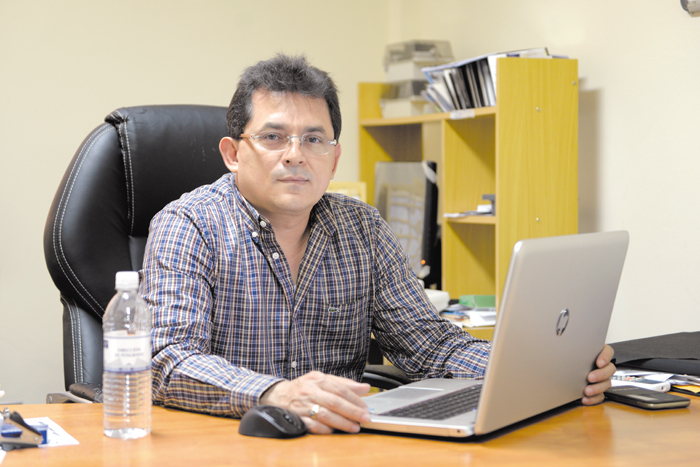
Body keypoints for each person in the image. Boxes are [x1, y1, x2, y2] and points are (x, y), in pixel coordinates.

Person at [140, 54, 615, 435]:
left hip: (339, 444)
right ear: (232, 153)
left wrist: (536, 367)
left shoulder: (362, 228)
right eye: (273, 137)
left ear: (334, 159)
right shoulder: (189, 225)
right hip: (228, 442)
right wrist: (274, 393)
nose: (295, 155)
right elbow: (167, 360)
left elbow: (429, 345)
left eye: (314, 139)